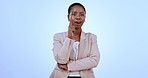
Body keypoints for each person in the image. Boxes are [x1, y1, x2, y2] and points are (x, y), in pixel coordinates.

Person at [50, 2, 100, 78]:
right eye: (74, 14)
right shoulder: (58, 37)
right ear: (68, 17)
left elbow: (94, 60)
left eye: (82, 14)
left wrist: (69, 66)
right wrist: (69, 38)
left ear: (85, 18)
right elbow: (61, 60)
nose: (78, 17)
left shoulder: (91, 37)